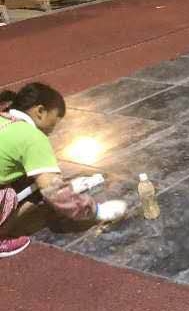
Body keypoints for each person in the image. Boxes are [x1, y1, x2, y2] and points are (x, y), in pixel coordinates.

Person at [0, 83, 127, 258]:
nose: (53, 128)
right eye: (56, 119)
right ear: (40, 111)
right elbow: (54, 192)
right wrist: (97, 211)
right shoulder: (32, 137)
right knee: (39, 189)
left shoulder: (4, 117)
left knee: (28, 177)